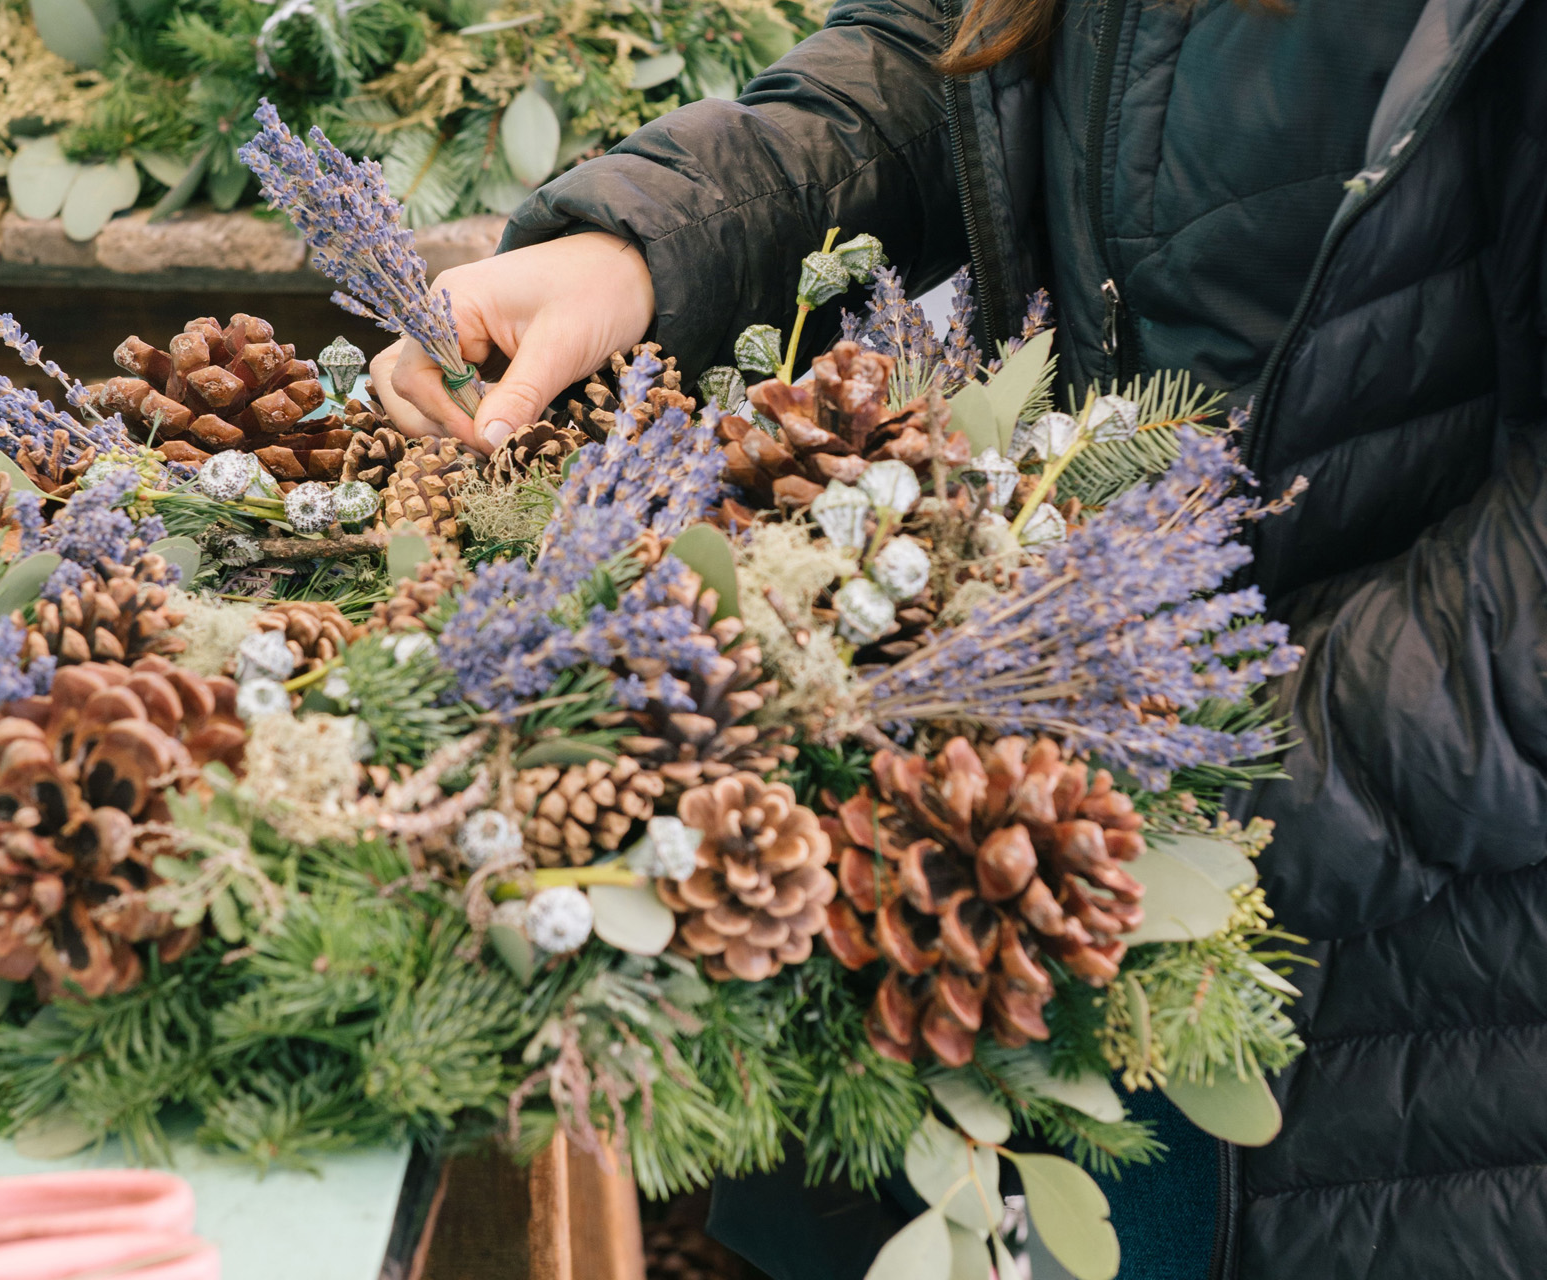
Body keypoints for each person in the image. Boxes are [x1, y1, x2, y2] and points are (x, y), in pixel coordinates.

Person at [371, 0, 1547, 1276]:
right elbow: (959, 47)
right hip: (1031, 845)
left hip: (1395, 986)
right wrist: (652, 237)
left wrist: (1211, 791)